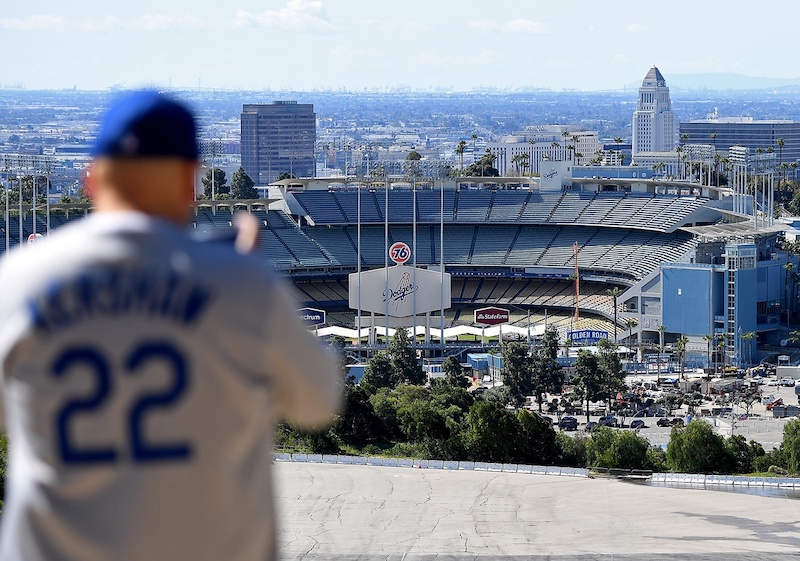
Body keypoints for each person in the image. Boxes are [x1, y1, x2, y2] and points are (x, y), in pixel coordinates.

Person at [0, 90, 341, 561]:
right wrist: (244, 284)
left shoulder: (16, 282)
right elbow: (317, 401)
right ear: (191, 183)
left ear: (91, 179)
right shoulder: (240, 285)